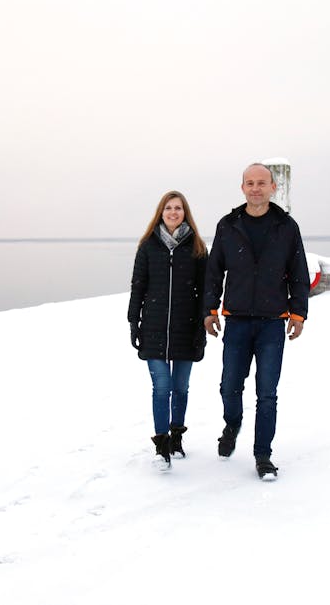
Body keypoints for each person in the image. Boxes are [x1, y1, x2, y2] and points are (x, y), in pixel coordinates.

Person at [203, 163, 309, 480]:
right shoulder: (228, 225)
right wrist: (210, 309)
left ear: (273, 188)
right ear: (242, 188)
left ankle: (263, 455)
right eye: (250, 183)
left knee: (267, 393)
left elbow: (299, 275)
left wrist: (298, 313)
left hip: (272, 324)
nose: (255, 188)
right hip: (236, 322)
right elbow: (213, 272)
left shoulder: (287, 227)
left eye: (262, 183)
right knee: (229, 387)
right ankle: (232, 423)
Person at [128, 190, 208, 469]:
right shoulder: (148, 246)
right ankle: (161, 445)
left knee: (180, 388)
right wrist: (133, 321)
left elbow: (205, 292)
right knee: (161, 388)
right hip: (153, 326)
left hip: (186, 328)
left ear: (185, 213)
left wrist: (202, 325)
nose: (173, 212)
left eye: (178, 208)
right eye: (168, 208)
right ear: (160, 213)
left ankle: (176, 437)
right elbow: (138, 286)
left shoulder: (197, 247)